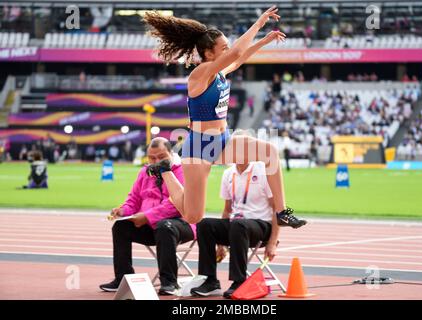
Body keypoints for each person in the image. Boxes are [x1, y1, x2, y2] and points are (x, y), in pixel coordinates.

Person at [142, 6, 305, 229]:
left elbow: (238, 60)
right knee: (193, 217)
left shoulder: (219, 73)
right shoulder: (199, 74)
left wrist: (263, 41)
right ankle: (164, 170)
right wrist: (259, 24)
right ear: (209, 54)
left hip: (222, 140)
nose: (228, 50)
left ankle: (281, 212)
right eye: (224, 48)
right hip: (199, 146)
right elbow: (236, 54)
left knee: (270, 152)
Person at [191, 156, 306, 298]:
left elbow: (276, 208)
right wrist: (221, 244)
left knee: (238, 225)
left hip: (262, 226)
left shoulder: (263, 171)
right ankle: (210, 280)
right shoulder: (228, 173)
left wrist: (272, 242)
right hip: (237, 226)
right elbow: (227, 210)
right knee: (204, 224)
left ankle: (239, 281)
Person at [99, 137, 195, 295]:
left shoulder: (183, 170)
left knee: (165, 226)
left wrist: (146, 216)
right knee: (121, 226)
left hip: (182, 224)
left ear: (171, 153)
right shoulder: (144, 171)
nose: (156, 161)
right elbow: (134, 199)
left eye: (161, 157)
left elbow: (175, 205)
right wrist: (123, 211)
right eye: (152, 157)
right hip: (152, 226)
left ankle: (169, 282)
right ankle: (123, 278)